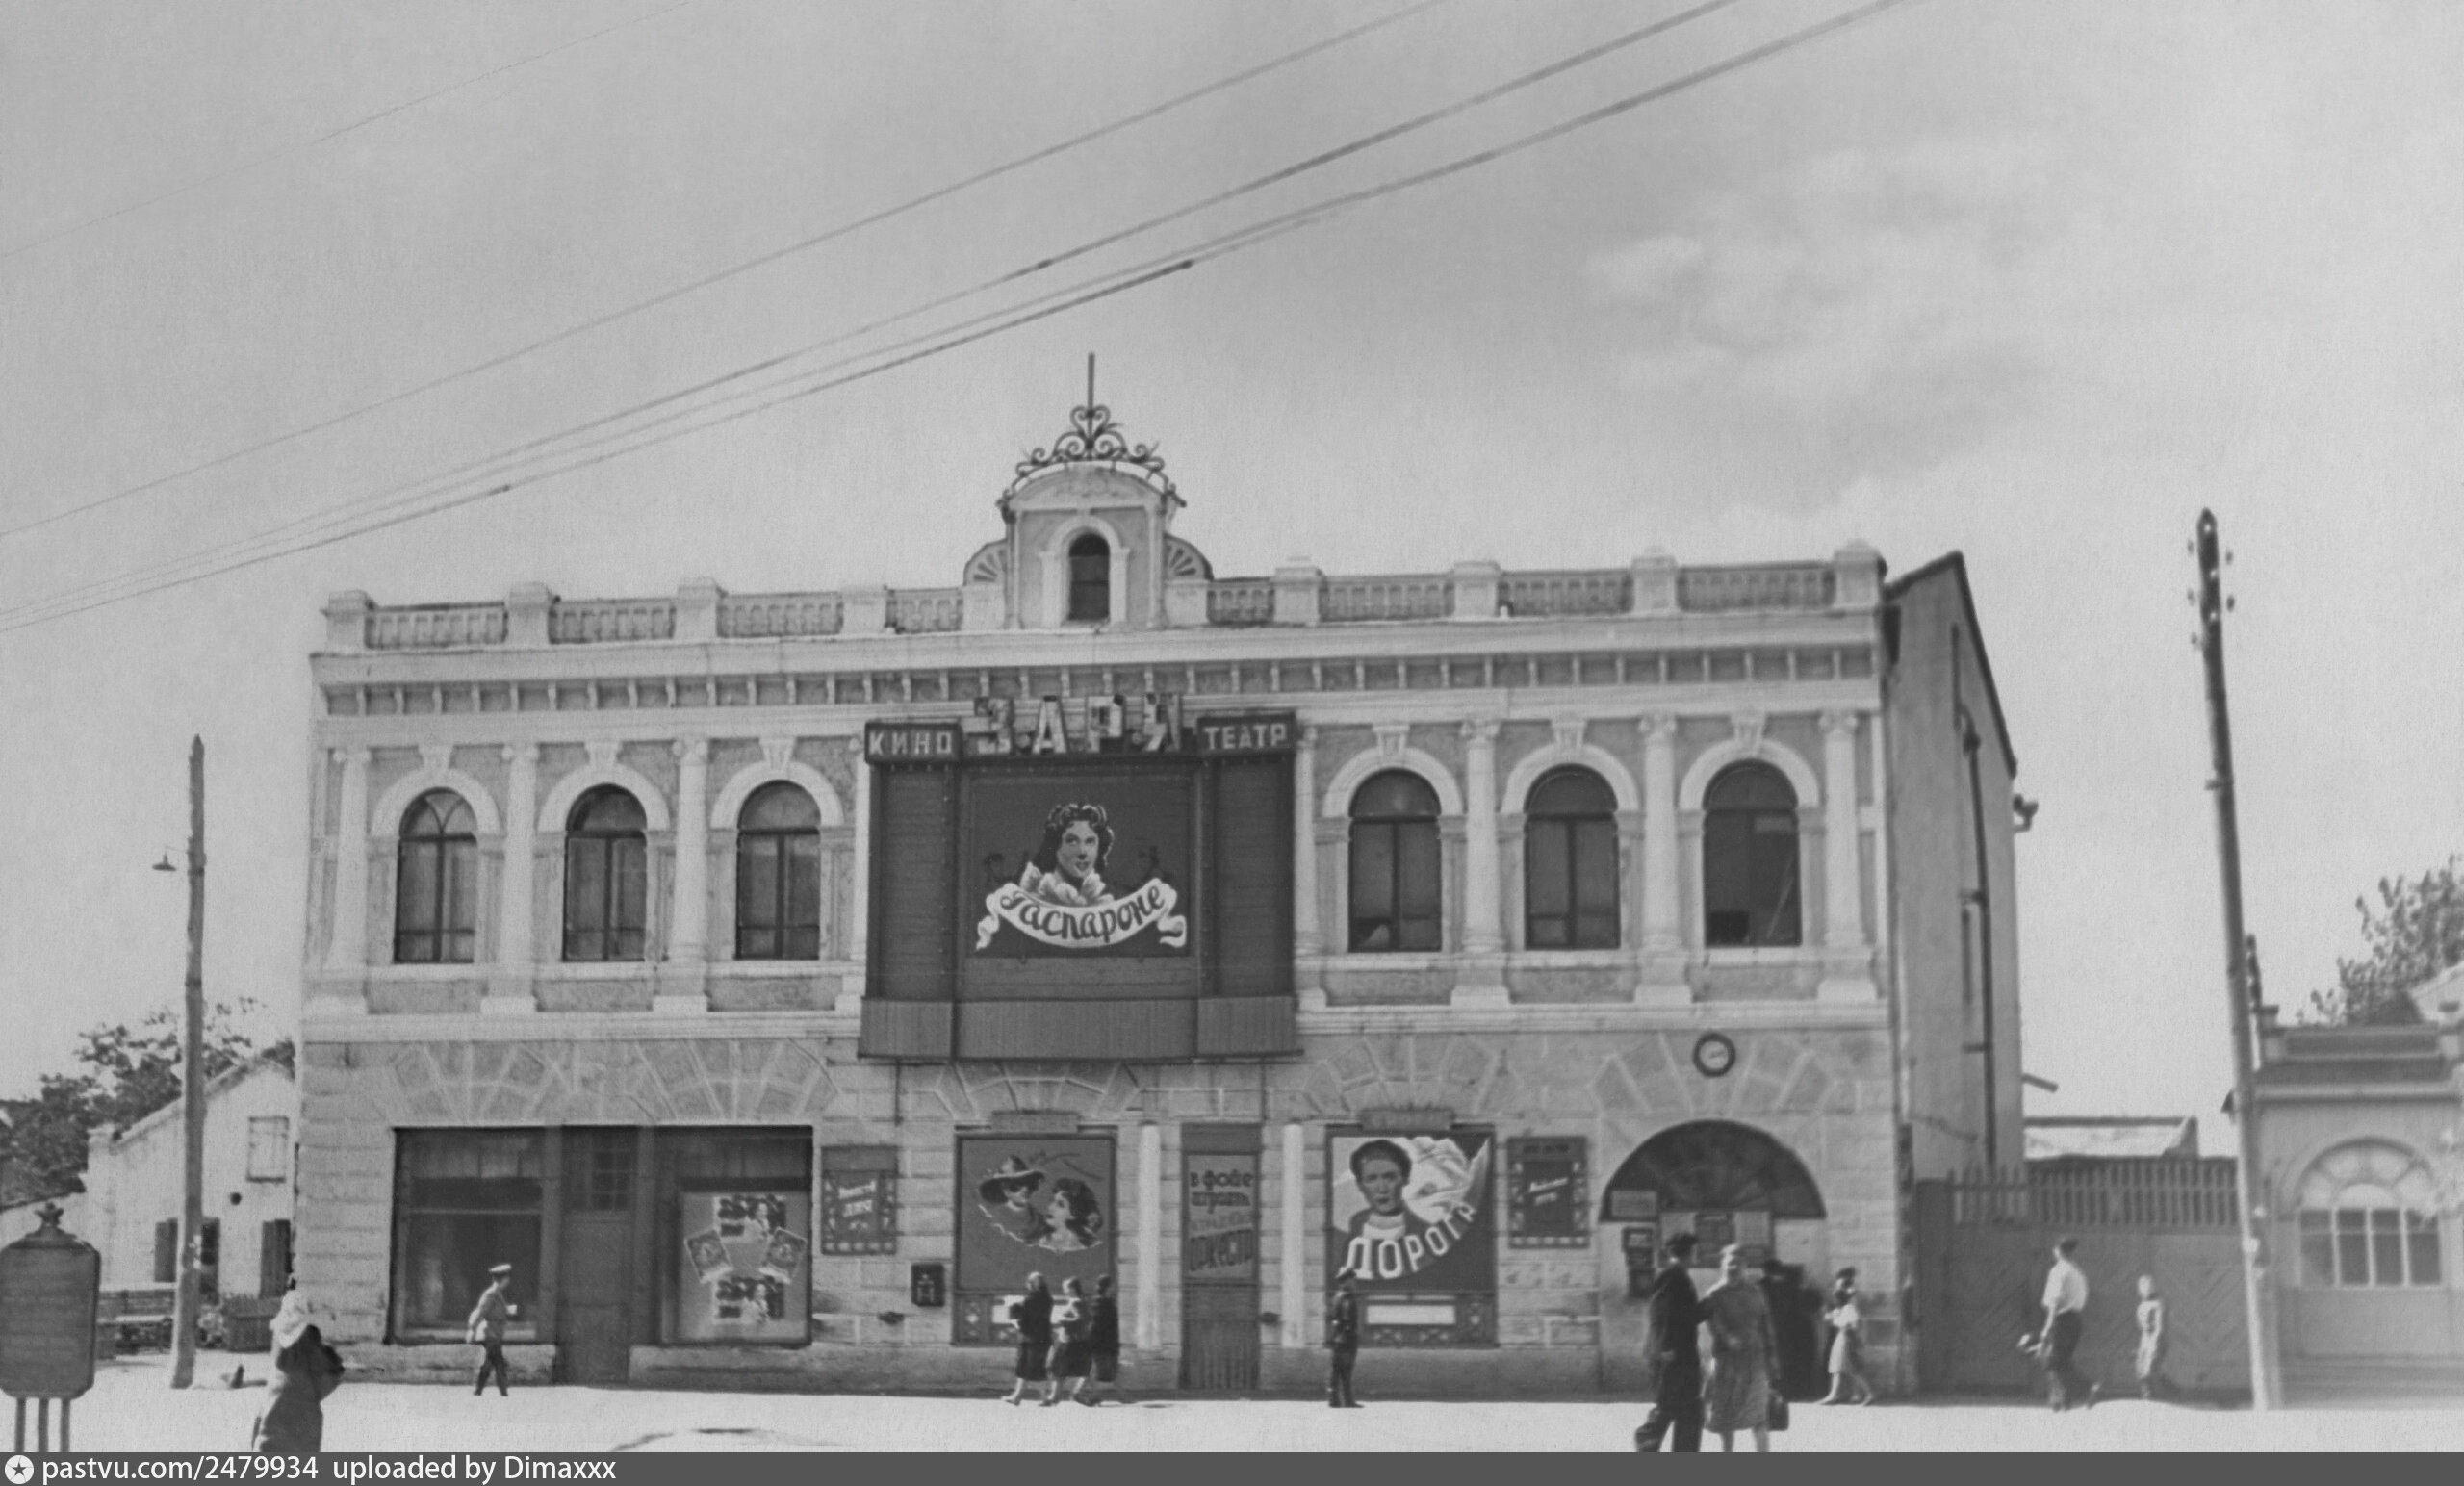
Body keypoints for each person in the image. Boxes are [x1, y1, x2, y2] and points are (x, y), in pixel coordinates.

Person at [1702, 1244, 1783, 1453]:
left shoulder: (1756, 1292)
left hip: (1755, 1359)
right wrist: (1728, 1338)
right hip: (1727, 1361)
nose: (1734, 1267)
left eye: (1738, 1263)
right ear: (1722, 1265)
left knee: (1759, 1414)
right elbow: (1714, 1324)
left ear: (1745, 1266)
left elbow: (1766, 1324)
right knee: (1726, 1415)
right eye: (1730, 1263)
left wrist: (1773, 1357)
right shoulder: (1714, 1294)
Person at [1633, 1232, 1704, 1451]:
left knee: (1687, 1408)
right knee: (1671, 1406)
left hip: (1681, 1354)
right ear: (1689, 1253)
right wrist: (1665, 1348)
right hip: (1672, 1356)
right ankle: (1646, 1438)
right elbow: (1660, 1313)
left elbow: (1684, 1315)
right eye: (1693, 1251)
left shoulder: (1678, 1275)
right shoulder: (1671, 1276)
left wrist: (1705, 1309)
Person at [252, 1286, 344, 1454]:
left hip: (272, 1409)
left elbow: (273, 1372)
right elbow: (328, 1374)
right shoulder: (310, 1336)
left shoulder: (279, 1330)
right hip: (302, 1414)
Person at [1340, 1140, 1432, 1280]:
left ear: (1405, 1179)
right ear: (1360, 1185)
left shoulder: (1423, 1230)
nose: (1382, 1189)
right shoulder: (1356, 1224)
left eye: (1390, 1178)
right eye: (1371, 1179)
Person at [2040, 1236, 2097, 1411]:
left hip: (2061, 1320)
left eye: (2055, 1248)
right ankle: (2063, 1400)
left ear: (2058, 1251)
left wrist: (2048, 1325)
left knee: (2052, 1361)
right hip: (2075, 1320)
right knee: (2063, 1360)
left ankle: (2087, 1388)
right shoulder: (2077, 1272)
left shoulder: (2058, 1271)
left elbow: (2055, 1300)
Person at [1019, 803, 1115, 906]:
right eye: (1072, 841)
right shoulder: (1033, 894)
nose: (1082, 852)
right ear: (1055, 844)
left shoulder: (1109, 898)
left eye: (1090, 842)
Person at [1759, 1258, 1821, 1401]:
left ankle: (1779, 1392)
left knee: (1777, 1362)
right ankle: (1798, 1391)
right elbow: (1813, 1305)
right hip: (1796, 1331)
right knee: (1794, 1361)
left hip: (1774, 1330)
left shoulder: (1761, 1286)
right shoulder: (1794, 1286)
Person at [1821, 1268, 1874, 1405]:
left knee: (1850, 1368)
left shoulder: (1849, 1305)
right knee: (1840, 1368)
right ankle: (1841, 1394)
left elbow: (1851, 1323)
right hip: (1843, 1337)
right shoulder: (1846, 1306)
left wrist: (1834, 1318)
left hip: (1846, 1338)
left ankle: (1862, 1394)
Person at [1000, 1273, 1054, 1404]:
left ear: (1034, 1284)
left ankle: (1043, 1397)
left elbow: (1022, 1316)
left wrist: (1012, 1305)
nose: (1028, 1285)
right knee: (1027, 1367)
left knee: (1031, 1368)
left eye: (1030, 1283)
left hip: (1032, 1338)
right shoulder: (1047, 1299)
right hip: (1039, 1338)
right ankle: (1018, 1397)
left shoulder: (1032, 1300)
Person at [466, 1262, 515, 1397]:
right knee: (497, 1362)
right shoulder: (492, 1293)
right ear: (503, 1279)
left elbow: (494, 1311)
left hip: (495, 1333)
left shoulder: (497, 1293)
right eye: (507, 1277)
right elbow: (482, 1312)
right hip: (491, 1333)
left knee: (491, 1362)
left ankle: (479, 1390)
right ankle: (502, 1391)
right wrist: (472, 1329)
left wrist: (506, 1310)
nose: (508, 1280)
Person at [1073, 1275, 1122, 1405]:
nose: (1113, 1288)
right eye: (1111, 1285)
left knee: (1094, 1369)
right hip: (1102, 1342)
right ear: (1107, 1287)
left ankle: (1091, 1394)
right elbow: (1102, 1325)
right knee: (1095, 1370)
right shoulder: (1105, 1303)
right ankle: (1079, 1392)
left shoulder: (1100, 1302)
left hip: (1098, 1341)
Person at [1029, 1178, 1107, 1253]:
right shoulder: (1040, 1239)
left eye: (1060, 1205)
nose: (1050, 1207)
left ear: (1074, 1215)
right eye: (1053, 1201)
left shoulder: (1079, 1243)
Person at [1043, 1277, 1089, 1405]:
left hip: (1069, 1341)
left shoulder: (1076, 1302)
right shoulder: (1076, 1302)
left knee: (1059, 1369)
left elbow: (1081, 1319)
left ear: (1072, 1288)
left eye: (1066, 1287)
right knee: (1060, 1370)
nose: (1064, 1290)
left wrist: (1063, 1320)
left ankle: (1061, 1395)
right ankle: (1057, 1396)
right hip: (1068, 1340)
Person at [1326, 1267, 1363, 1408]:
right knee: (1346, 1370)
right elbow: (1347, 1318)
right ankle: (1348, 1400)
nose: (1354, 1282)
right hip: (1347, 1338)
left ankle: (1333, 1400)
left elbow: (1331, 1317)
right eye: (1352, 1279)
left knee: (1336, 1370)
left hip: (1337, 1337)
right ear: (1347, 1281)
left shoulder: (1336, 1297)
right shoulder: (1348, 1298)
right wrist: (1351, 1334)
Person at [2134, 1274, 2170, 1400]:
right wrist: (2143, 1345)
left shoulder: (2158, 1304)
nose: (2145, 1290)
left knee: (2150, 1369)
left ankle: (2164, 1394)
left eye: (2148, 1287)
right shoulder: (2141, 1306)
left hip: (2156, 1340)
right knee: (2140, 1370)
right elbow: (2141, 1326)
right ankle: (2147, 1395)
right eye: (2142, 1287)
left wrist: (2154, 1344)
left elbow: (2159, 1327)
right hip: (2145, 1340)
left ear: (2153, 1288)